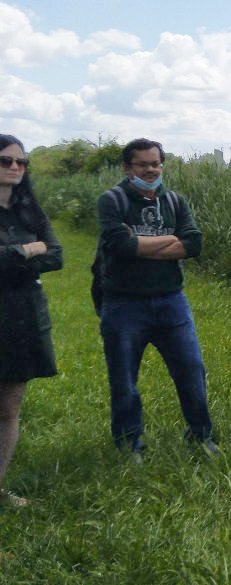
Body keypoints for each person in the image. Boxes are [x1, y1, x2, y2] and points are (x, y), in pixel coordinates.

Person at [96, 138, 217, 459]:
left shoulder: (175, 201)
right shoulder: (112, 201)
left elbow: (194, 244)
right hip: (123, 304)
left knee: (192, 371)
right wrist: (169, 240)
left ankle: (201, 436)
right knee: (124, 380)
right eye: (142, 164)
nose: (150, 170)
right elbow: (121, 246)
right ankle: (128, 444)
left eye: (155, 164)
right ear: (127, 168)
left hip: (171, 302)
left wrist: (141, 245)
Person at [0, 135, 63, 507]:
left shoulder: (31, 212)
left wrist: (12, 259)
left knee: (9, 408)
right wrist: (24, 250)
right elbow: (38, 251)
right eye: (6, 160)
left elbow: (55, 255)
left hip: (23, 314)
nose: (14, 168)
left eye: (21, 162)